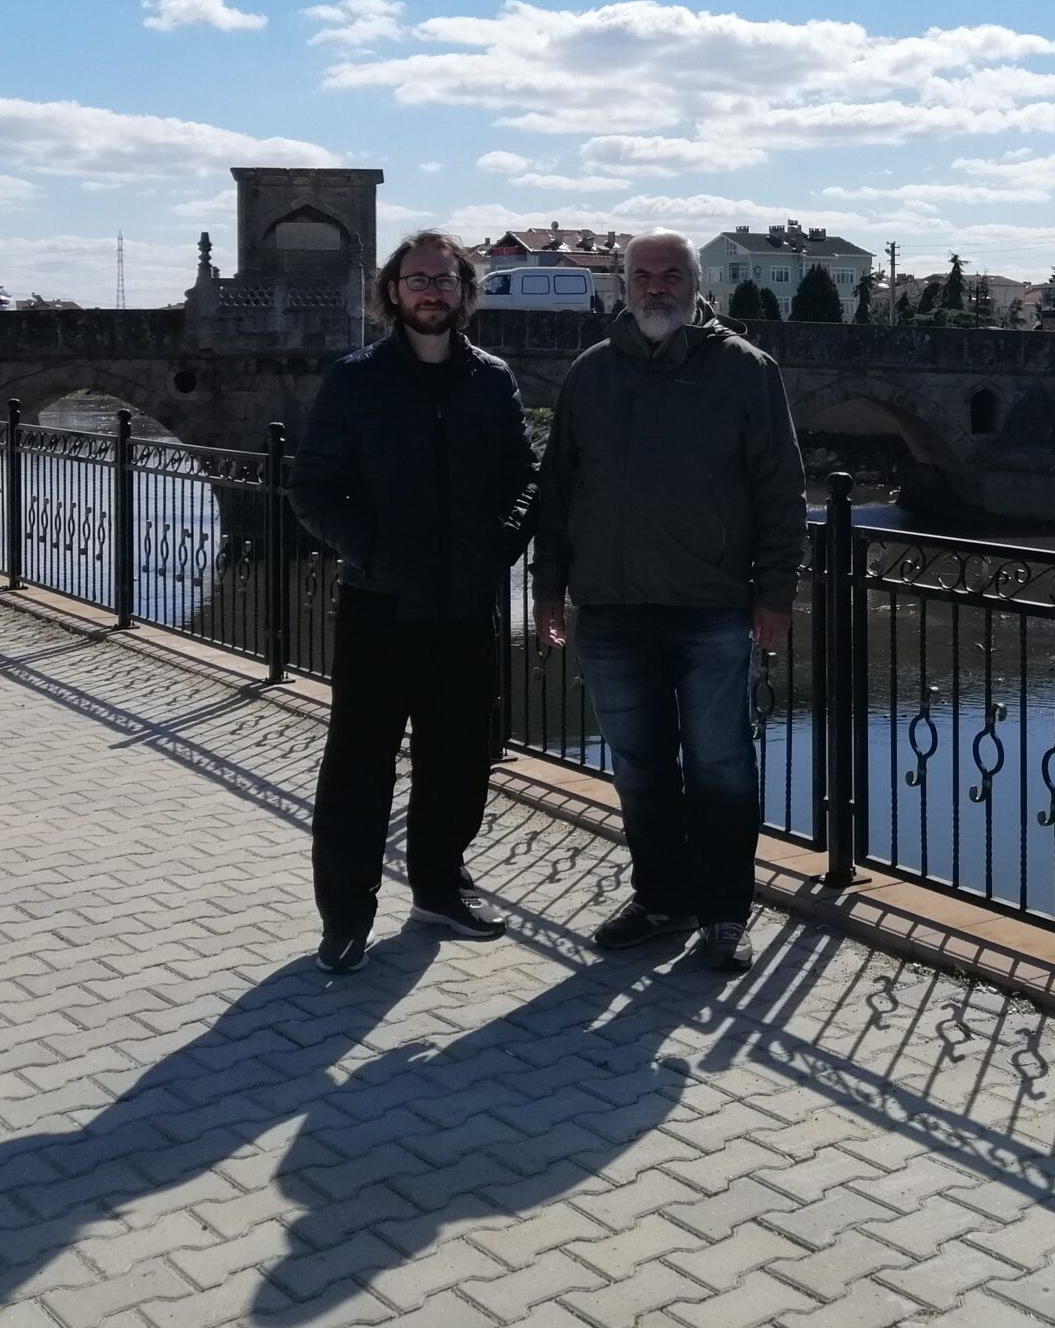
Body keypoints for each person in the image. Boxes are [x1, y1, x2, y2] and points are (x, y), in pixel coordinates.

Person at [531, 230, 805, 974]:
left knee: (720, 766)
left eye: (671, 275)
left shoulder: (744, 370)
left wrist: (775, 592)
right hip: (610, 610)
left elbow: (781, 491)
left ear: (695, 283)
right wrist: (549, 586)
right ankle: (661, 900)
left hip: (709, 606)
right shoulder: (591, 373)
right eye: (643, 276)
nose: (656, 287)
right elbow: (558, 490)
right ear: (624, 286)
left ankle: (724, 914)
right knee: (639, 766)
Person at [291, 230, 537, 973]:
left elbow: (524, 480)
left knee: (458, 760)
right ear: (393, 292)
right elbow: (313, 489)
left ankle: (438, 890)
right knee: (359, 766)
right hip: (381, 606)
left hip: (466, 607)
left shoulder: (491, 379)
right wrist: (375, 552)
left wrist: (498, 549)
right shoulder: (357, 378)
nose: (432, 291)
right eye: (418, 279)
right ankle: (345, 917)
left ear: (464, 291)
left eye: (444, 279)